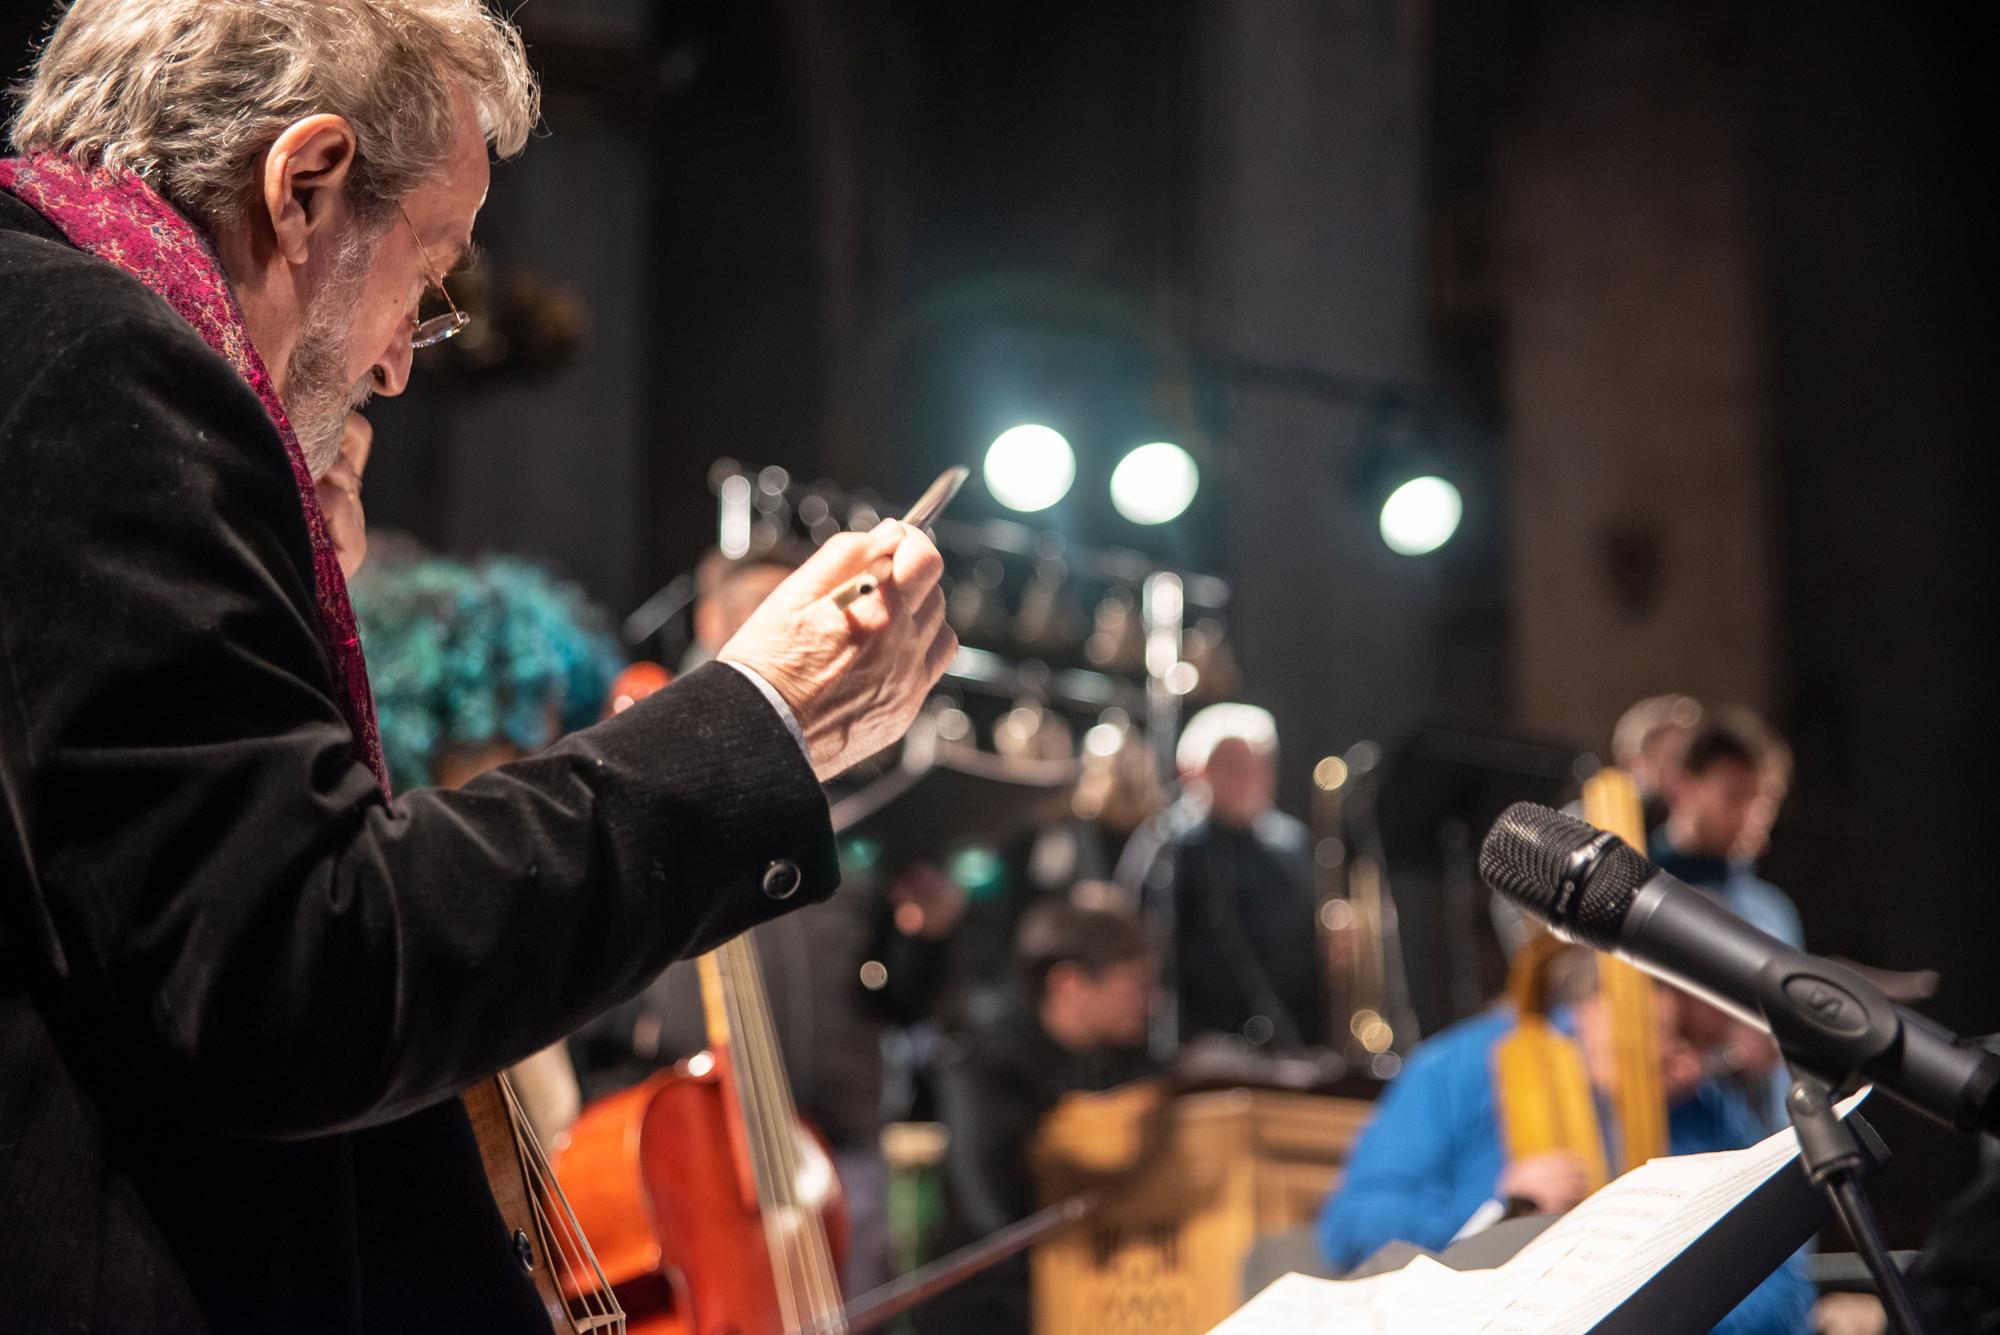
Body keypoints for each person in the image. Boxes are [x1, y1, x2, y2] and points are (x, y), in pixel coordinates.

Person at [0, 3, 955, 1331]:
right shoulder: (99, 365)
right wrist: (756, 719)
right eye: (431, 272)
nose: (399, 357)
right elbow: (291, 972)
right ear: (305, 183)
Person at [1316, 974, 1814, 1335]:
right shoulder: (1460, 1065)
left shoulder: (1702, 1109)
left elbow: (1786, 1291)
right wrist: (1500, 1208)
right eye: (1671, 1031)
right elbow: (1354, 1225)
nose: (1685, 1063)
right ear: (1595, 1004)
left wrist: (1675, 1301)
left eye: (1705, 1049)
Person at [350, 544, 628, 1145]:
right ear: (432, 734)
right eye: (516, 747)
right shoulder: (389, 925)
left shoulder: (522, 917)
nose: (539, 775)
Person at [915, 896, 1160, 1335]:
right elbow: (991, 1213)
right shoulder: (986, 1056)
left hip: (1077, 1291)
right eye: (1133, 986)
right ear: (1068, 984)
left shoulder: (1118, 1060)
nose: (1150, 1002)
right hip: (989, 1308)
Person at [1116, 702, 1325, 1050]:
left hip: (1290, 1039)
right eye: (1233, 767)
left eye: (1260, 766)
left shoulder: (1292, 846)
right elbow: (1139, 946)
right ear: (1195, 771)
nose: (1249, 779)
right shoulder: (1167, 845)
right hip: (1197, 1042)